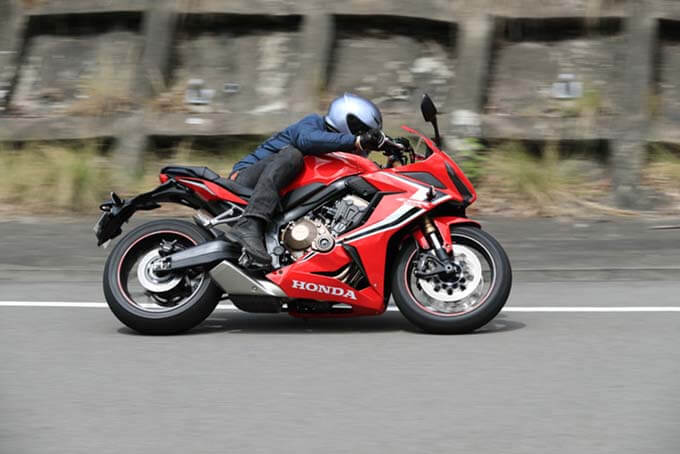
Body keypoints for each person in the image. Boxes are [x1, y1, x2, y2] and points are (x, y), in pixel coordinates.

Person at [227, 93, 386, 267]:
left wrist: (390, 162)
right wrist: (356, 140)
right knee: (292, 155)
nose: (364, 138)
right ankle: (250, 223)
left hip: (277, 193)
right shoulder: (313, 123)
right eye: (362, 131)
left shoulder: (338, 149)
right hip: (245, 180)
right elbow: (306, 140)